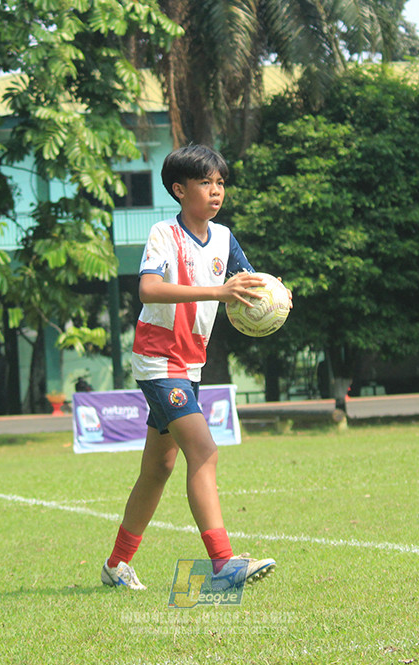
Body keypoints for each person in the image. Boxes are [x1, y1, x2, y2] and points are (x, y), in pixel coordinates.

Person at [101, 145, 281, 592]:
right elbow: (148, 290)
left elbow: (250, 285)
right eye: (205, 183)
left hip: (190, 365)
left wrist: (276, 294)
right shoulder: (164, 234)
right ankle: (223, 565)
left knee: (158, 469)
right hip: (158, 361)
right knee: (204, 451)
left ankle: (116, 565)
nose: (216, 191)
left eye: (220, 183)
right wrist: (217, 292)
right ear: (180, 190)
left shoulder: (224, 238)